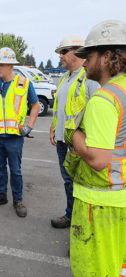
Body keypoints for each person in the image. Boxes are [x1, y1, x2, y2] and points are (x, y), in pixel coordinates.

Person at [65, 20, 126, 277]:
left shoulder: (103, 99)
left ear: (107, 56)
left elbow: (99, 160)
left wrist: (75, 134)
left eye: (88, 56)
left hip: (98, 204)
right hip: (119, 197)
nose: (85, 62)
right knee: (116, 268)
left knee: (94, 270)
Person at [49, 34, 99, 229]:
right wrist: (53, 127)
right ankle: (71, 217)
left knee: (79, 185)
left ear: (77, 51)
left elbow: (97, 110)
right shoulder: (63, 78)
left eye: (63, 51)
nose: (60, 56)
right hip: (63, 141)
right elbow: (59, 108)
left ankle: (80, 225)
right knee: (68, 182)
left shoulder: (89, 78)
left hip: (78, 144)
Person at [0, 47, 40, 217]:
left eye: (1, 64)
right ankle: (1, 196)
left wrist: (28, 126)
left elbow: (35, 105)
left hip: (14, 137)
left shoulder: (23, 83)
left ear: (10, 66)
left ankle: (18, 200)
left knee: (15, 170)